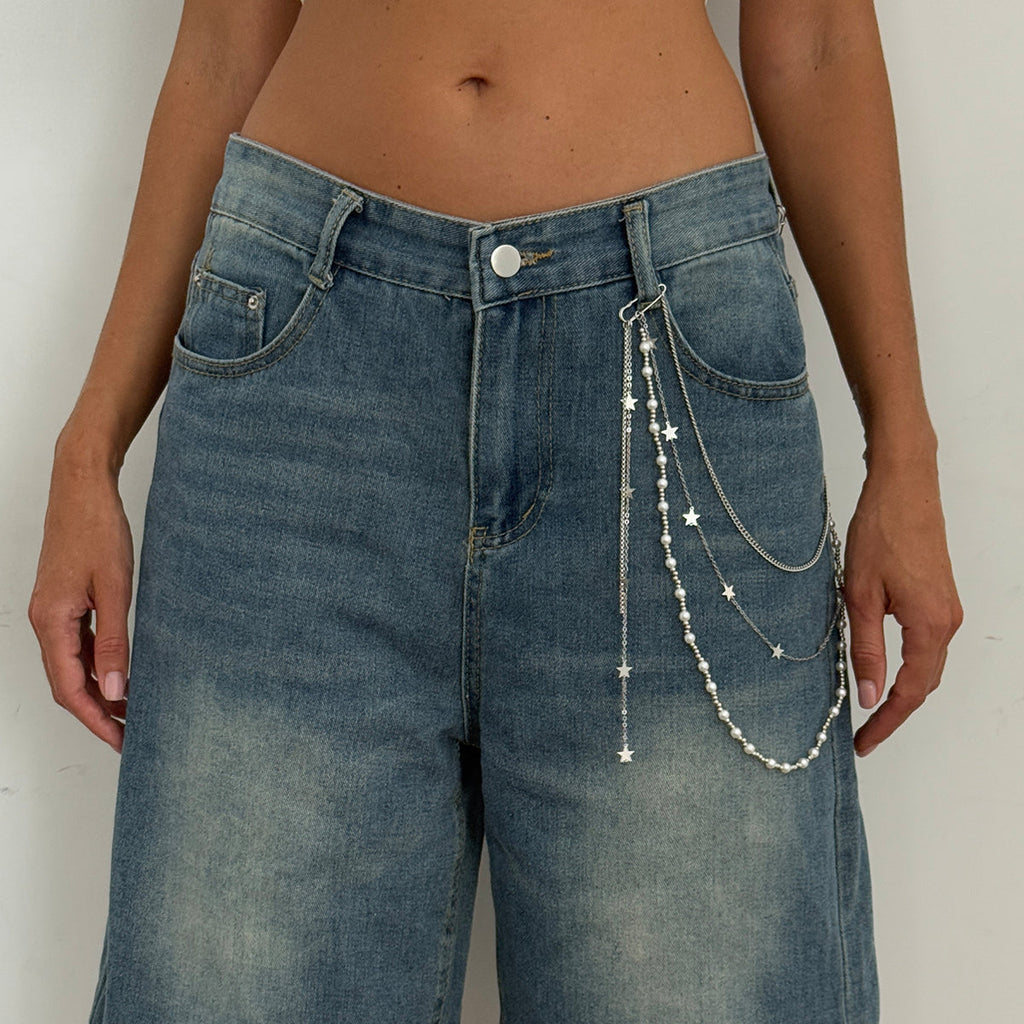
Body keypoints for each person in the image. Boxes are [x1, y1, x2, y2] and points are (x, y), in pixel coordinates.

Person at [29, 1, 963, 1021]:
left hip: (665, 374)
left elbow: (818, 37)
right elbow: (223, 42)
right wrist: (89, 448)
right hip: (303, 371)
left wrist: (902, 452)